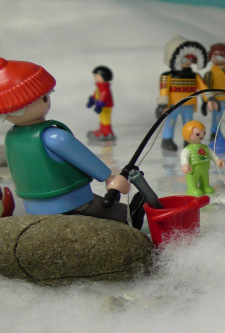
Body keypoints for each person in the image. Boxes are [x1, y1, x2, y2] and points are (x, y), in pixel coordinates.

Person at [0, 58, 144, 228]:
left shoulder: (11, 137)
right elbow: (85, 159)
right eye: (45, 96)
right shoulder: (53, 137)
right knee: (99, 208)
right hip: (69, 199)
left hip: (32, 205)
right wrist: (109, 178)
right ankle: (128, 216)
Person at [157, 35, 212, 151]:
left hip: (188, 105)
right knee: (170, 122)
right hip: (173, 105)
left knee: (189, 124)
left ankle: (188, 140)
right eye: (184, 59)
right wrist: (162, 105)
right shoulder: (167, 76)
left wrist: (209, 100)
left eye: (190, 59)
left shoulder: (195, 76)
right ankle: (167, 139)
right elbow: (164, 92)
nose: (188, 62)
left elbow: (204, 89)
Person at [180, 120, 225, 197]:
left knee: (205, 178)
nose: (202, 136)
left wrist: (217, 160)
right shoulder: (187, 150)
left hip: (204, 168)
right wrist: (185, 165)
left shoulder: (205, 147)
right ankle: (192, 188)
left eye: (204, 133)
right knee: (192, 179)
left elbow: (212, 154)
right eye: (197, 134)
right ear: (187, 135)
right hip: (192, 169)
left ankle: (205, 186)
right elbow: (183, 156)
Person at [86, 65, 116, 140]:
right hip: (103, 107)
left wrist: (99, 104)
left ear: (103, 77)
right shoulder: (100, 87)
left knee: (105, 119)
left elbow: (103, 95)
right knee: (102, 119)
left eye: (97, 76)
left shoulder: (104, 88)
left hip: (105, 107)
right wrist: (92, 100)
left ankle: (107, 132)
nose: (95, 77)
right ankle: (103, 130)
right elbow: (96, 93)